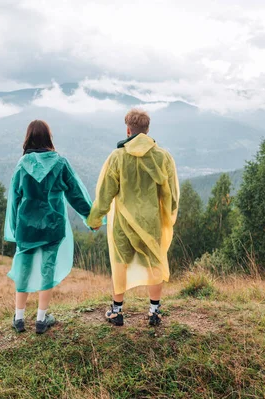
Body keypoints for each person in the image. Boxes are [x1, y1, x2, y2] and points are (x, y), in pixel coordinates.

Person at [87, 109, 180, 327]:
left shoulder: (117, 157)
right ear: (147, 131)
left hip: (123, 222)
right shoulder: (162, 156)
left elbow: (105, 194)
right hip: (151, 222)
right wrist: (168, 214)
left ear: (128, 130)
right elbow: (171, 195)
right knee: (154, 263)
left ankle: (117, 311)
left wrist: (95, 219)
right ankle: (154, 312)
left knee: (120, 263)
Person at [4, 120, 93, 334]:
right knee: (48, 268)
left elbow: (15, 198)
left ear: (28, 138)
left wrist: (15, 227)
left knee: (23, 268)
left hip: (26, 225)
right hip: (53, 224)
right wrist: (90, 216)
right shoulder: (60, 163)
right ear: (48, 138)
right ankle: (42, 320)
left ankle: (19, 318)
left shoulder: (22, 164)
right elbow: (75, 193)